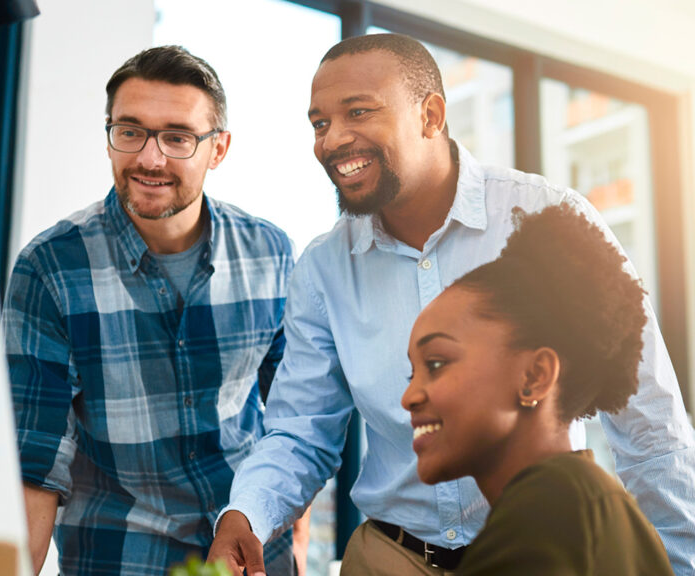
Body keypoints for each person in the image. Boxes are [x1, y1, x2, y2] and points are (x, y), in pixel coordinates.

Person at [208, 33, 695, 576]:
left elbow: (650, 425)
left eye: (358, 112)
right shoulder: (323, 269)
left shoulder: (547, 218)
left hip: (536, 553)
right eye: (320, 123)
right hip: (390, 555)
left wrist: (682, 565)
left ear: (431, 115)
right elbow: (301, 430)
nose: (333, 140)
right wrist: (246, 513)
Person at [2, 46, 298, 576]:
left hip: (251, 556)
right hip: (121, 556)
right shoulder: (50, 268)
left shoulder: (270, 253)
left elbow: (293, 422)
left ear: (218, 148)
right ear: (109, 136)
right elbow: (34, 466)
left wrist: (289, 536)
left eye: (177, 137)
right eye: (130, 131)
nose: (149, 159)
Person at [403, 203, 674, 575]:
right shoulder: (595, 502)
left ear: (535, 376)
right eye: (411, 375)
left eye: (436, 363)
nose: (409, 397)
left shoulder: (542, 518)